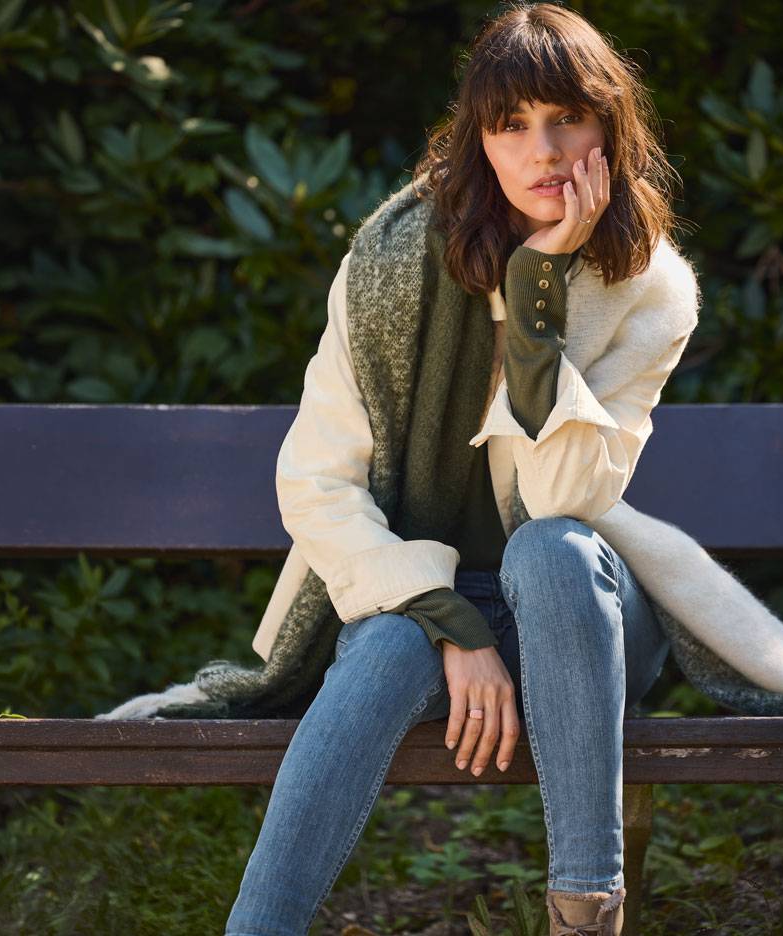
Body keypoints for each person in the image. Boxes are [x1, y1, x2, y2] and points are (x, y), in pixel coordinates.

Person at [225, 3, 696, 934]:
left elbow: (564, 496)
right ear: (480, 140)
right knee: (389, 645)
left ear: (610, 129)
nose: (543, 151)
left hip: (583, 619)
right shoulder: (387, 267)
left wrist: (537, 291)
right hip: (428, 600)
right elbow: (316, 484)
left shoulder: (649, 288)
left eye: (567, 118)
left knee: (551, 550)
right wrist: (453, 623)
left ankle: (586, 909)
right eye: (511, 124)